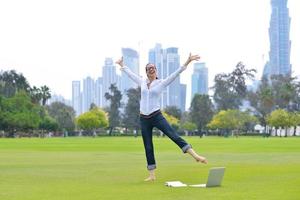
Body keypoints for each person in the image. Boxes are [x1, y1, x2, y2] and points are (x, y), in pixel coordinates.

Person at [116, 53, 208, 181]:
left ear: (156, 71)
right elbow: (131, 74)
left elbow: (176, 73)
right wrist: (122, 65)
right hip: (143, 118)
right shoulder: (142, 82)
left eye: (153, 68)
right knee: (148, 146)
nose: (151, 69)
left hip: (156, 115)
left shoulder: (161, 83)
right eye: (148, 68)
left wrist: (187, 61)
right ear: (146, 72)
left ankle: (196, 156)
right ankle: (152, 175)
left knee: (173, 135)